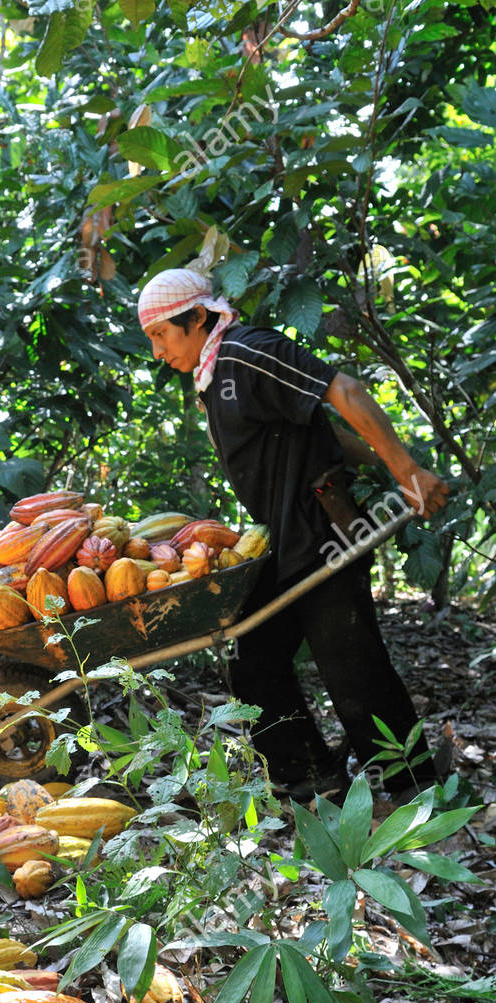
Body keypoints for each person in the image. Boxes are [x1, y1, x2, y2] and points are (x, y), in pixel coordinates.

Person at [137, 266, 450, 799]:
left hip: (320, 534)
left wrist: (407, 472)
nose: (158, 352)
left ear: (195, 318)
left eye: (161, 335)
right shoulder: (214, 381)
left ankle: (417, 790)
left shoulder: (246, 352)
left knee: (352, 668)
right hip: (282, 543)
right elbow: (320, 429)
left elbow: (343, 391)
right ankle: (310, 777)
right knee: (250, 654)